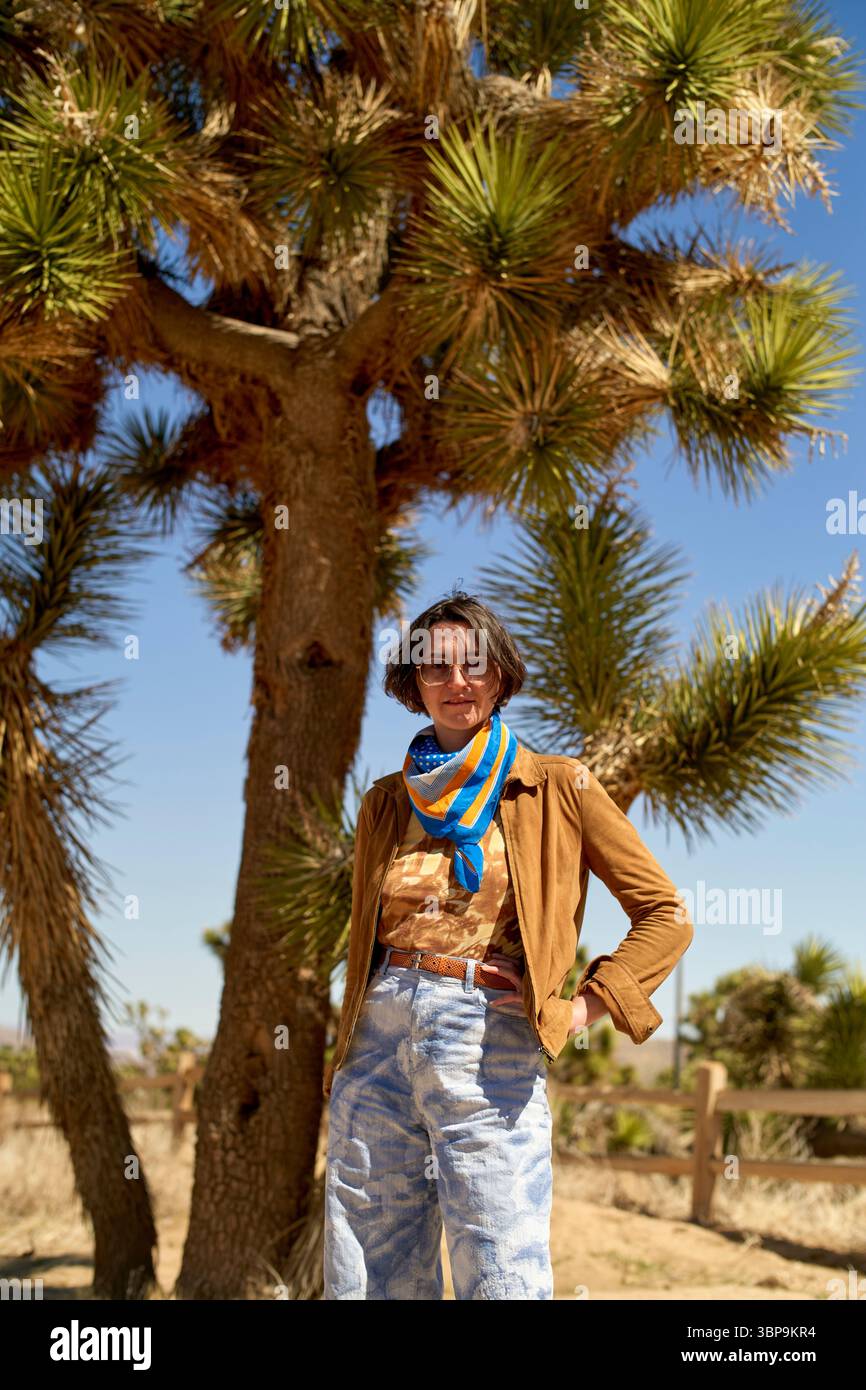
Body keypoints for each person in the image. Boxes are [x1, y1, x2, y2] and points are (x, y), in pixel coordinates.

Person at [323, 592, 693, 1300]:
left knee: (502, 1268)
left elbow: (665, 913)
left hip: (487, 1037)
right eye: (436, 667)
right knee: (369, 1275)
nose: (456, 681)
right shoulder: (386, 802)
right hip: (377, 1038)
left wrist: (580, 1009)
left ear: (499, 676)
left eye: (474, 664)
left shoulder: (558, 786)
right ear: (414, 683)